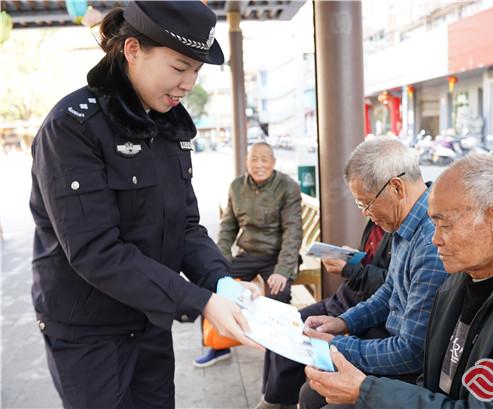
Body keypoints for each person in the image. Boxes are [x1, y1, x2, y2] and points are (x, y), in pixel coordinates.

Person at [29, 2, 259, 408]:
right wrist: (201, 301)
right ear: (133, 49)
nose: (188, 84)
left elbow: (186, 225)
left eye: (196, 71)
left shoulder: (167, 123)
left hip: (149, 314)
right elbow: (95, 251)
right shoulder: (71, 127)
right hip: (88, 331)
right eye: (179, 67)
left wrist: (221, 281)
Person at [305, 154, 493, 409]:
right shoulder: (465, 272)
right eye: (433, 223)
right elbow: (433, 379)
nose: (435, 239)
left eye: (445, 225)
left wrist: (366, 390)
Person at [299, 137, 448, 409]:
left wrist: (337, 346)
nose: (367, 214)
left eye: (365, 203)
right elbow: (388, 292)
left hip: (412, 373)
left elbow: (412, 353)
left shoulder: (431, 241)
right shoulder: (404, 223)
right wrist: (343, 323)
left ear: (396, 187)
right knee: (311, 391)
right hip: (392, 343)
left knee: (316, 393)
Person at [257, 219, 392, 409]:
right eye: (360, 202)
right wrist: (353, 258)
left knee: (299, 341)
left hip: (358, 308)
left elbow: (386, 291)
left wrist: (349, 269)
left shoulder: (401, 229)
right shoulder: (375, 219)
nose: (364, 210)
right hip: (343, 300)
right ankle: (272, 398)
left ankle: (275, 400)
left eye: (365, 202)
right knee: (284, 325)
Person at [194, 142, 303, 367]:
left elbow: (293, 232)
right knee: (211, 284)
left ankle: (277, 355)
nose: (259, 164)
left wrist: (283, 271)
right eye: (254, 159)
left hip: (276, 256)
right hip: (248, 252)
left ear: (273, 163)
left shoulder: (287, 186)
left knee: (278, 292)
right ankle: (218, 346)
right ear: (247, 162)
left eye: (264, 159)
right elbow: (228, 228)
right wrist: (219, 264)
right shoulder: (236, 186)